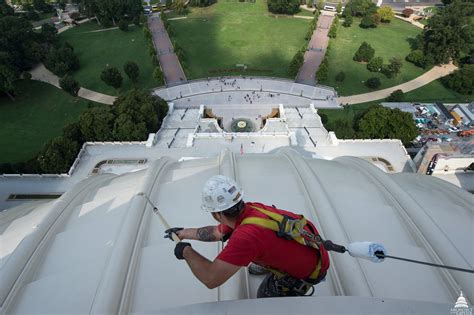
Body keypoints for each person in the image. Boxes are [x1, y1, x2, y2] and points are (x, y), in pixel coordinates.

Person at [164, 175, 330, 298]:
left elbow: (211, 278)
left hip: (309, 273)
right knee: (261, 247)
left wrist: (185, 251)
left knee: (263, 296)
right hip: (311, 252)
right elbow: (216, 232)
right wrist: (184, 232)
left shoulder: (246, 237)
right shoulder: (251, 210)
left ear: (216, 214)